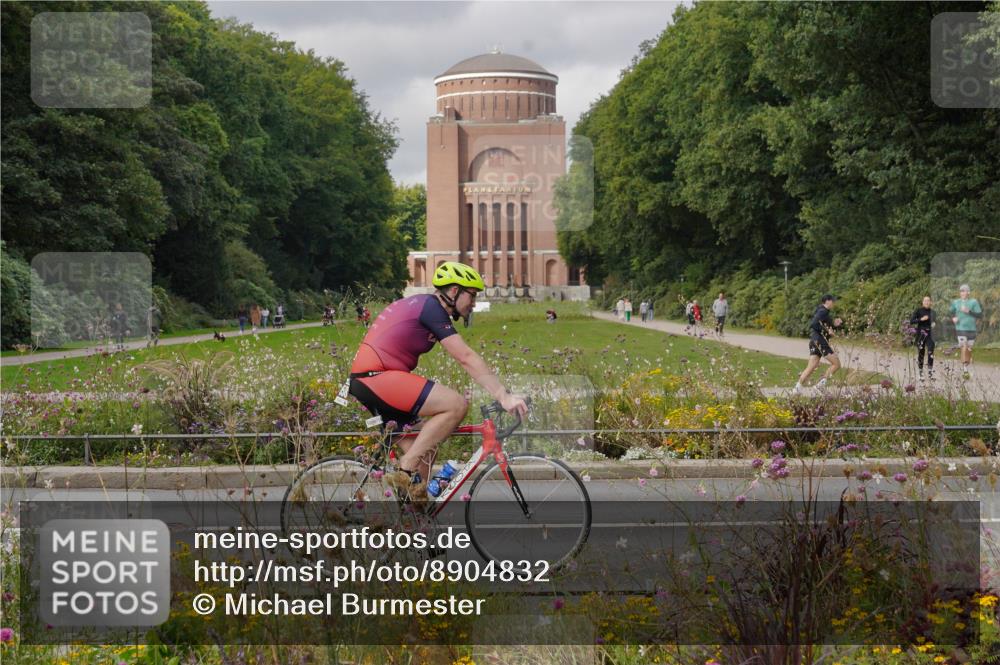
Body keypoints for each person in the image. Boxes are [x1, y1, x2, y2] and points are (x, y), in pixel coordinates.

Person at [348, 261, 528, 499]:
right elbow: (465, 357)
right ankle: (406, 466)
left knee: (426, 453)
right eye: (471, 296)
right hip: (376, 378)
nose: (473, 304)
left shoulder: (426, 306)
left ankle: (412, 523)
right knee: (455, 405)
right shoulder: (431, 308)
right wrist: (503, 396)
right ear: (454, 291)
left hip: (372, 380)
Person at [793, 295, 843, 395]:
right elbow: (814, 324)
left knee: (811, 366)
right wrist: (827, 331)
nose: (834, 303)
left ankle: (796, 389)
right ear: (827, 301)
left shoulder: (822, 311)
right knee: (836, 364)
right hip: (820, 341)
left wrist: (834, 325)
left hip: (814, 341)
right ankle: (819, 386)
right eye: (832, 301)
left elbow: (822, 325)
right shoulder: (823, 311)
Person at [949, 284, 983, 378]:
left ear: (968, 292)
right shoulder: (956, 302)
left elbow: (980, 315)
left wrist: (969, 311)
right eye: (961, 291)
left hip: (972, 329)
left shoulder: (974, 302)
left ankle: (967, 362)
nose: (962, 293)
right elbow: (950, 312)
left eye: (964, 291)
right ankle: (965, 370)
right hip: (960, 328)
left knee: (968, 349)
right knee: (964, 347)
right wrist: (953, 318)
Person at [909, 296, 936, 381]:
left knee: (931, 352)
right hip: (921, 334)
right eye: (925, 301)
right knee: (921, 353)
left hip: (930, 334)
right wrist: (921, 319)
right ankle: (920, 372)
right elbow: (912, 321)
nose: (927, 302)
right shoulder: (918, 310)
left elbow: (935, 321)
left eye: (928, 301)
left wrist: (934, 324)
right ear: (923, 302)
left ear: (931, 302)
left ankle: (930, 373)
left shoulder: (933, 312)